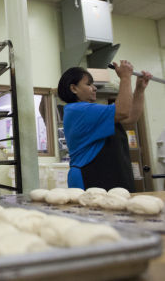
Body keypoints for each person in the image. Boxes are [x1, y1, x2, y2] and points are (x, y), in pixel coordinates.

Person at [57, 61, 152, 192]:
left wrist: (140, 89)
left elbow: (130, 117)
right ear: (74, 88)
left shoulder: (92, 111)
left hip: (107, 175)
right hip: (89, 177)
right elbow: (123, 111)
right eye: (88, 84)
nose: (94, 88)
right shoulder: (78, 110)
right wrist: (125, 78)